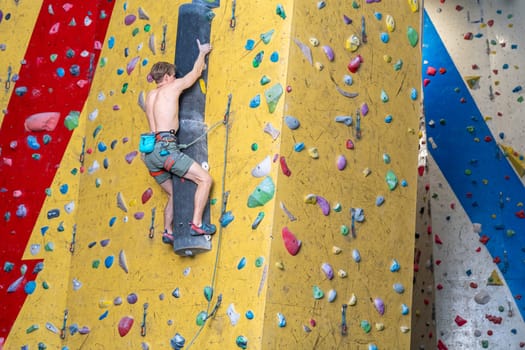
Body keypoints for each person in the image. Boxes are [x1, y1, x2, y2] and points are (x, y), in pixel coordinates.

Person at [143, 39, 215, 244]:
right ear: (167, 77)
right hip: (167, 149)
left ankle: (167, 230)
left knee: (174, 193)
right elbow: (195, 74)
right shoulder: (172, 87)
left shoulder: (150, 95)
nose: (175, 77)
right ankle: (197, 225)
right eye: (173, 75)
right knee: (205, 180)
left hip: (149, 153)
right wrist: (202, 53)